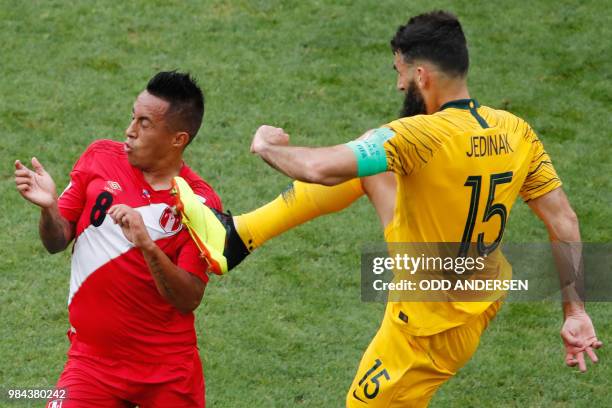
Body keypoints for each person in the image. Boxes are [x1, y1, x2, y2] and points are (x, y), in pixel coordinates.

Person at [175, 11, 602, 407]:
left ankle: (235, 238)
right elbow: (563, 218)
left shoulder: (417, 136)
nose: (399, 86)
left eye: (400, 73)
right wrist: (577, 310)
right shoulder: (515, 131)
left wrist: (265, 145)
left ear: (421, 75)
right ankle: (237, 237)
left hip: (426, 328)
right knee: (372, 170)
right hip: (477, 295)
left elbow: (320, 168)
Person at [14, 71, 221, 408]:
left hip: (167, 372)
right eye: (132, 117)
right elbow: (56, 241)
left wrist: (147, 246)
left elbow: (188, 298)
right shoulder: (99, 157)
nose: (130, 131)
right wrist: (49, 208)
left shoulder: (199, 204)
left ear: (177, 139)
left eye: (145, 123)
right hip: (91, 363)